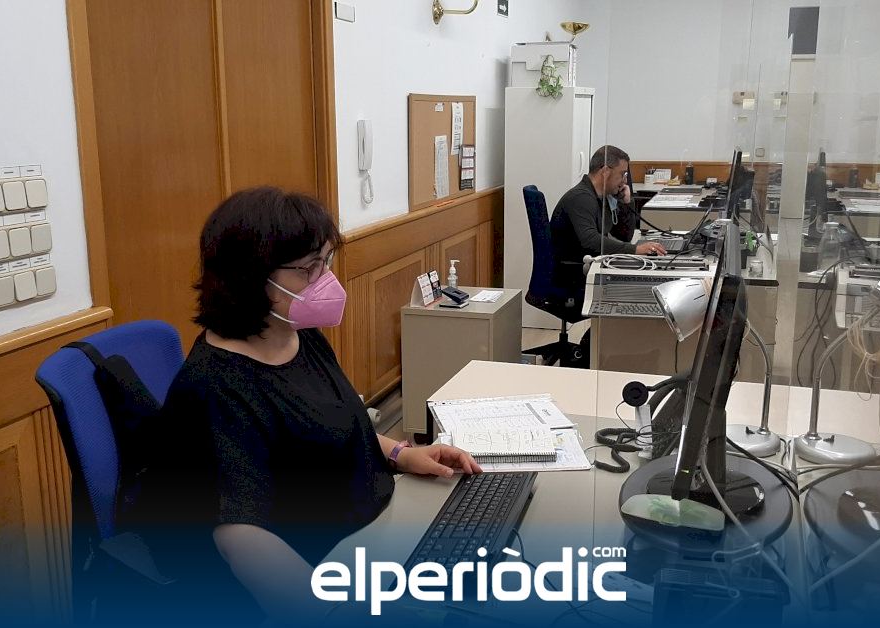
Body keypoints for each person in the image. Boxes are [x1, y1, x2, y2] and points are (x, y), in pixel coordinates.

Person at [134, 187, 483, 624]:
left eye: (326, 262)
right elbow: (242, 536)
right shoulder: (215, 388)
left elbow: (329, 421)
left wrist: (401, 453)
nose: (325, 280)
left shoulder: (296, 335)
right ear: (249, 278)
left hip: (371, 525)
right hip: (318, 565)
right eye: (308, 268)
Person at [547, 146, 666, 366]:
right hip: (570, 278)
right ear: (605, 171)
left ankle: (611, 353)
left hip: (586, 269)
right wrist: (635, 251)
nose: (624, 181)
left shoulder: (599, 197)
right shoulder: (581, 198)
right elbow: (591, 241)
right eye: (622, 174)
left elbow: (623, 235)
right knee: (631, 291)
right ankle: (605, 356)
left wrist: (625, 202)